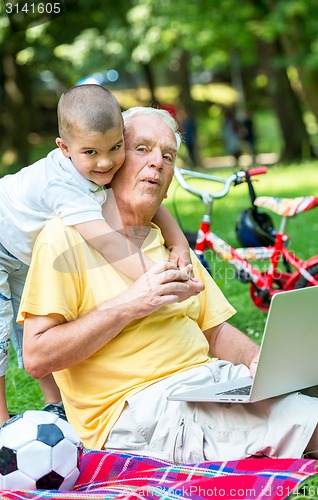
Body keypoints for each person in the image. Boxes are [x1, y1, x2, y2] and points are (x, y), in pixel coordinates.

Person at [20, 107, 318, 462]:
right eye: (142, 149)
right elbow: (36, 357)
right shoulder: (63, 238)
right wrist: (131, 303)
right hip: (141, 409)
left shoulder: (171, 245)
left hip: (212, 385)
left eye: (168, 156)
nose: (157, 162)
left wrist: (256, 360)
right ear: (113, 162)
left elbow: (214, 332)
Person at [0, 86, 191, 424]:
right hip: (2, 246)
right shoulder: (62, 186)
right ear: (64, 148)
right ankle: (2, 422)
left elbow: (154, 205)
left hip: (24, 248)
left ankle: (54, 406)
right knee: (1, 333)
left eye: (116, 148)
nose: (106, 163)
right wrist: (158, 281)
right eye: (91, 152)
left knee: (34, 317)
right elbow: (108, 243)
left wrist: (179, 243)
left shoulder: (97, 162)